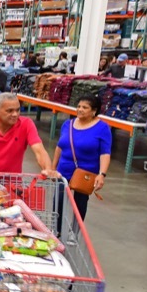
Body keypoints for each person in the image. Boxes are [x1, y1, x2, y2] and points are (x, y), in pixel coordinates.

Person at [51, 94, 111, 227]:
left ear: (94, 111)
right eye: (78, 106)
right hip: (63, 170)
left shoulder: (102, 128)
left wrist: (102, 174)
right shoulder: (68, 124)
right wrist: (52, 167)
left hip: (86, 172)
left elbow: (105, 153)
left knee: (80, 204)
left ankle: (75, 231)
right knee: (58, 201)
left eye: (85, 107)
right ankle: (56, 230)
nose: (80, 109)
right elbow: (60, 146)